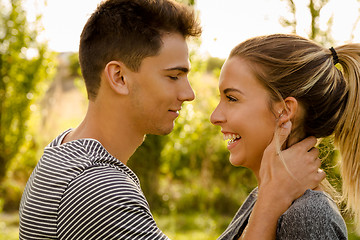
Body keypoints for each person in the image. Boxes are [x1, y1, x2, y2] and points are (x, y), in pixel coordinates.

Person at [19, 1, 324, 239]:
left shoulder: (60, 153)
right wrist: (272, 200)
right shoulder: (97, 189)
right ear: (119, 77)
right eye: (173, 76)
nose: (189, 94)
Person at [211, 33, 360, 239]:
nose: (215, 116)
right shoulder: (263, 199)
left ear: (285, 111)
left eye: (232, 98)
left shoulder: (308, 216)